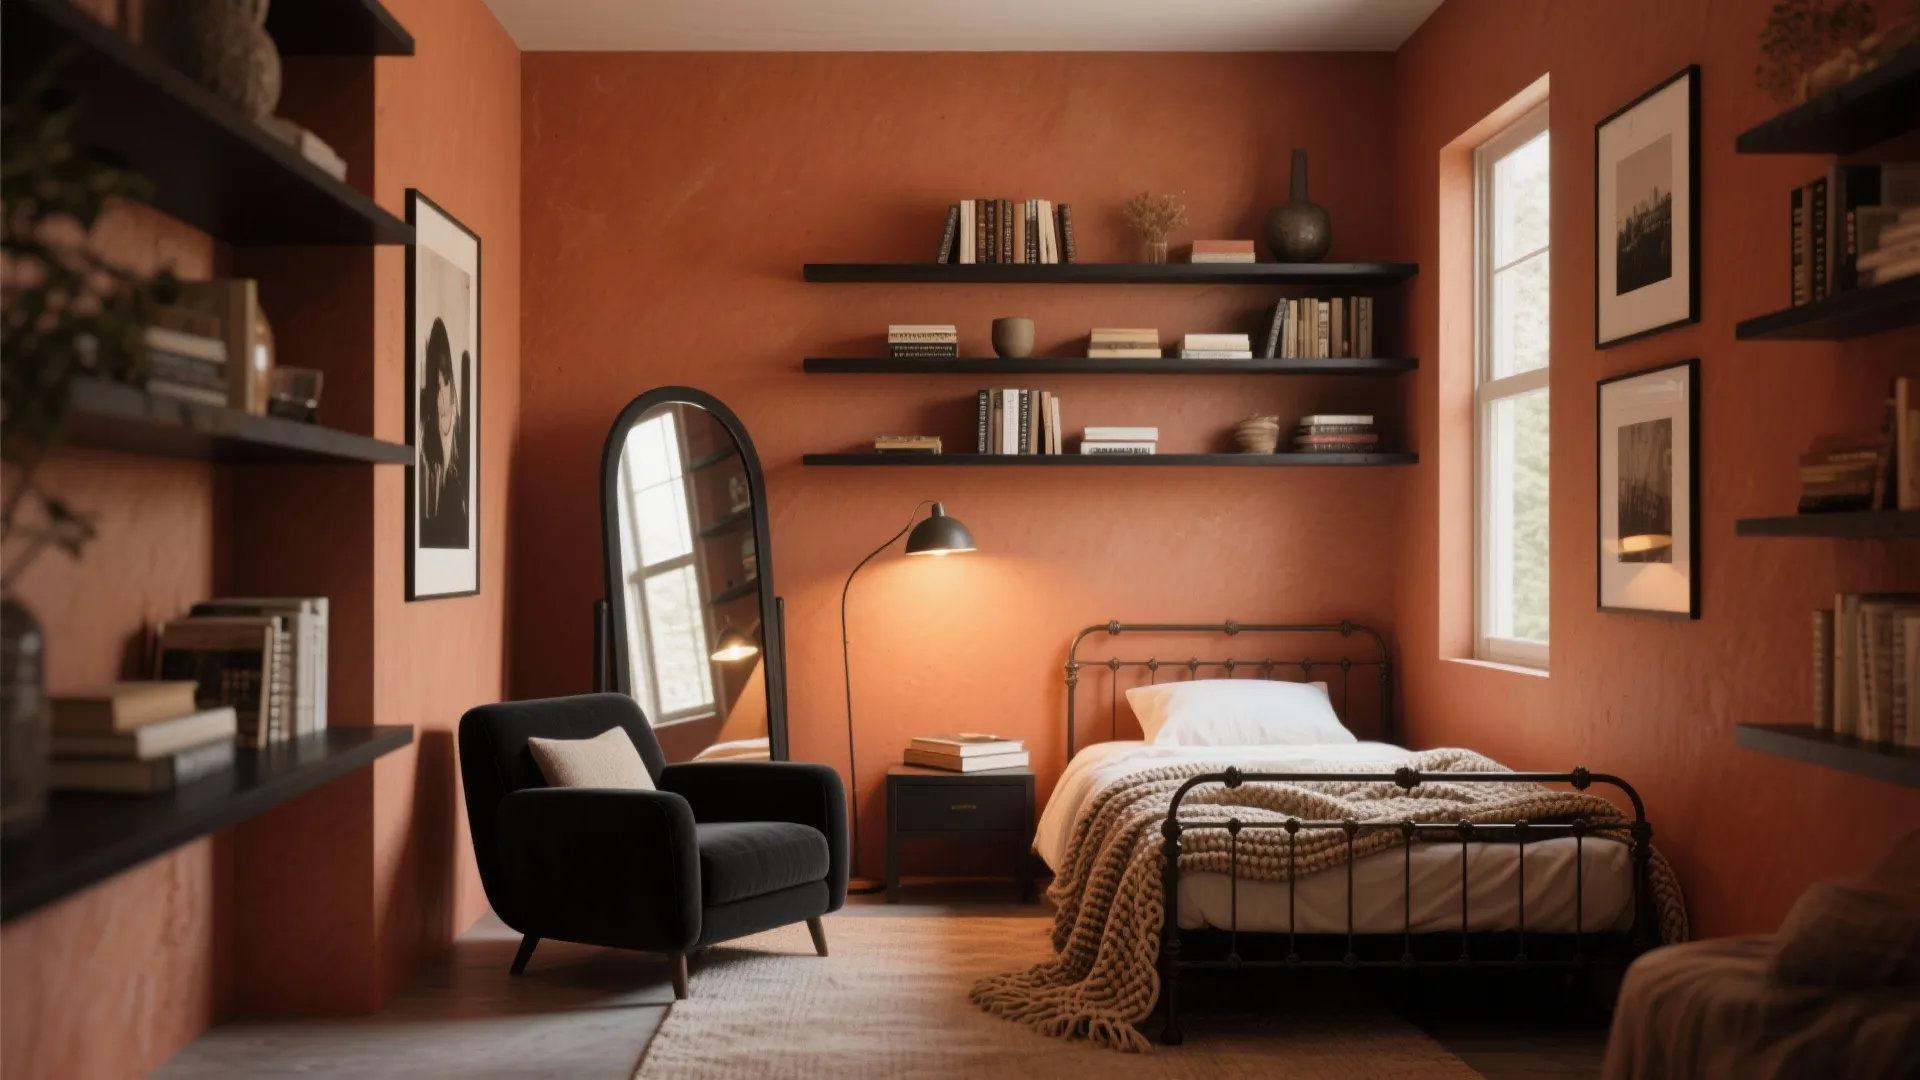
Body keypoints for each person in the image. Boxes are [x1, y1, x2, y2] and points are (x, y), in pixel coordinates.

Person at [418, 318, 468, 548]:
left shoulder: (457, 410)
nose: (440, 379)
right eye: (436, 373)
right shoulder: (424, 411)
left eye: (444, 371)